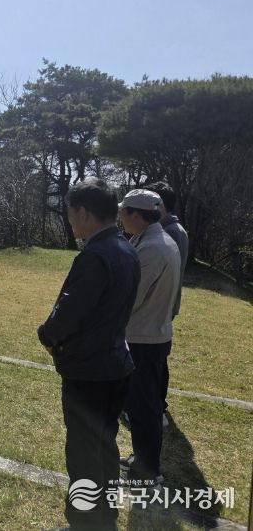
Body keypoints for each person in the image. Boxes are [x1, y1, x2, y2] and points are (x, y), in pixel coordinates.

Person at [37, 178, 140, 531]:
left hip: (90, 370)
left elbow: (69, 312)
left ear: (83, 212)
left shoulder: (96, 256)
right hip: (116, 363)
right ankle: (105, 514)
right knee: (105, 444)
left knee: (83, 452)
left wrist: (47, 336)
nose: (69, 221)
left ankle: (83, 522)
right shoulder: (126, 248)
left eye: (69, 213)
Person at [119, 189, 181, 486]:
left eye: (124, 212)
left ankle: (148, 472)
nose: (120, 217)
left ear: (136, 215)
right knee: (142, 407)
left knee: (143, 409)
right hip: (151, 335)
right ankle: (142, 459)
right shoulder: (154, 240)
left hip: (144, 339)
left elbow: (132, 297)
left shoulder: (153, 247)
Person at [144, 182, 189, 426]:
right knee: (156, 359)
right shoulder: (171, 229)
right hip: (163, 305)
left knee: (155, 360)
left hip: (160, 305)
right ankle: (156, 405)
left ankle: (157, 407)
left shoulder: (171, 232)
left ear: (160, 205)